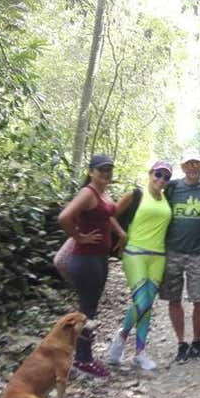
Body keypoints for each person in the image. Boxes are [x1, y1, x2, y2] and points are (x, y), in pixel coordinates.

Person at [58, 153, 123, 378]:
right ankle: (83, 360)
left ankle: (82, 357)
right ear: (91, 171)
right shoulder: (88, 192)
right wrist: (79, 237)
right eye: (101, 169)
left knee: (90, 310)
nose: (105, 173)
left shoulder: (103, 194)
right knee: (87, 311)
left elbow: (108, 216)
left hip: (98, 258)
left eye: (108, 170)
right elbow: (64, 217)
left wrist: (120, 233)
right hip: (85, 258)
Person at [107, 161, 173, 371]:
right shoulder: (136, 194)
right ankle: (122, 336)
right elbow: (110, 215)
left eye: (166, 177)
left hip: (158, 256)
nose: (161, 179)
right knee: (142, 301)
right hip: (134, 253)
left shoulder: (166, 199)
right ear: (150, 173)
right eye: (158, 174)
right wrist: (121, 234)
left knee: (148, 304)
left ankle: (139, 353)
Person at [159, 149, 200, 363]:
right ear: (183, 167)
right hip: (173, 251)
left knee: (199, 299)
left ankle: (196, 342)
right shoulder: (173, 187)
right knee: (173, 298)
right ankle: (181, 343)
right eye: (189, 164)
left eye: (196, 163)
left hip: (198, 252)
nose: (193, 167)